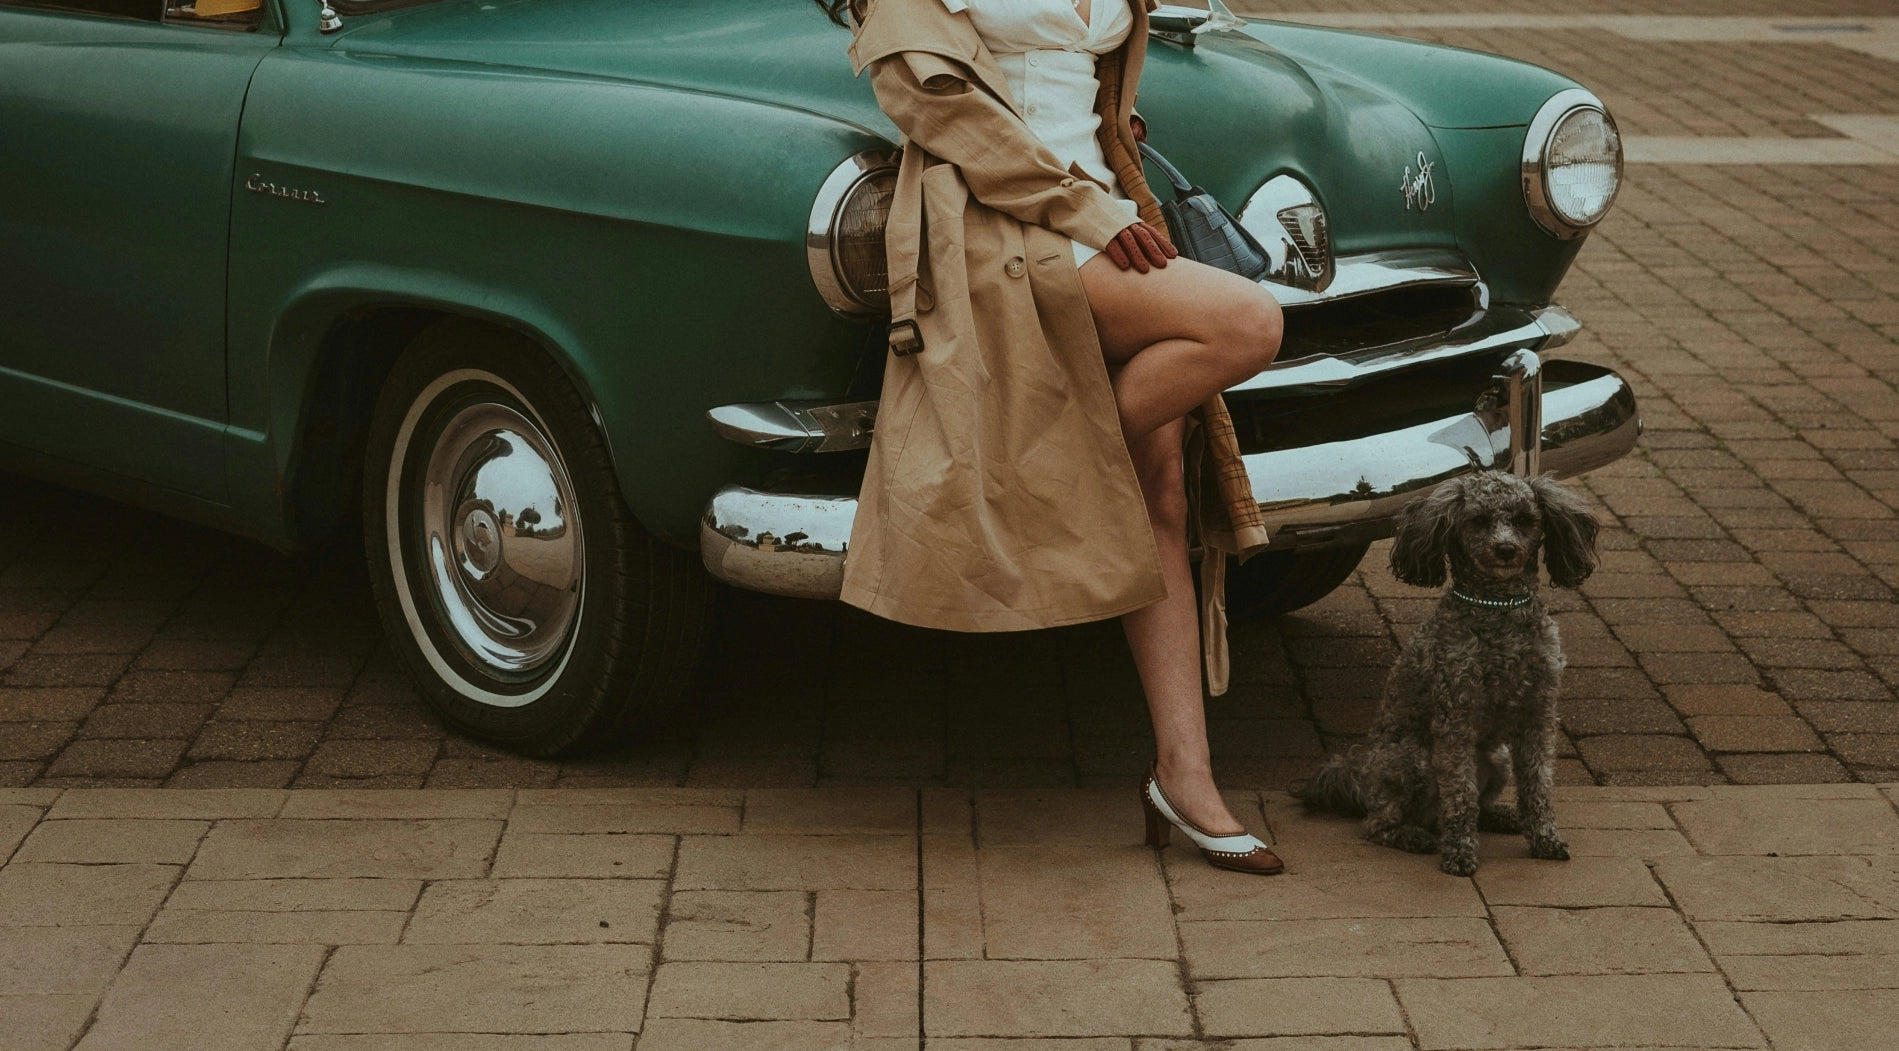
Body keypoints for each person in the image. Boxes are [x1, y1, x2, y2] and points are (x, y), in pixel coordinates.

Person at [820, 0, 1287, 874]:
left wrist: (1110, 194)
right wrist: (1083, 208)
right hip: (1006, 225)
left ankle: (1183, 773)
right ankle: (1027, 458)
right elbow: (929, 103)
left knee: (1159, 495)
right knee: (1245, 323)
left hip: (1114, 211)